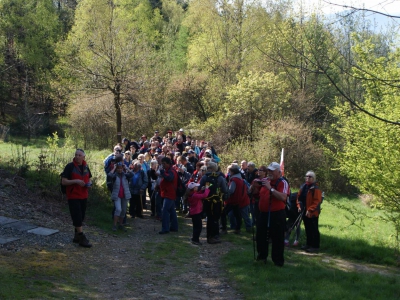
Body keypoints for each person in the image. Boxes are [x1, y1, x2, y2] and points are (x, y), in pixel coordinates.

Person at [256, 162, 290, 266]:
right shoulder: (266, 180)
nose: (269, 172)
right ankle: (262, 257)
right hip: (263, 213)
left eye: (272, 171)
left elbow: (283, 197)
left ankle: (278, 262)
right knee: (261, 236)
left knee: (277, 238)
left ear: (279, 172)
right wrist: (253, 189)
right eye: (268, 170)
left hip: (277, 214)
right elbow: (259, 195)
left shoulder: (283, 182)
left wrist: (270, 188)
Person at [61, 148, 92, 248]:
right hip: (73, 195)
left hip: (84, 195)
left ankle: (76, 236)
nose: (77, 157)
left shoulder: (86, 166)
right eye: (76, 155)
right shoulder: (69, 167)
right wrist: (76, 181)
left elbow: (89, 178)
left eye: (79, 155)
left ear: (84, 157)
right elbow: (64, 181)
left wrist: (89, 184)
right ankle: (82, 238)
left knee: (81, 217)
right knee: (77, 216)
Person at [199, 162, 228, 244]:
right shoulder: (220, 178)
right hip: (217, 201)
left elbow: (200, 188)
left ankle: (209, 236)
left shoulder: (205, 177)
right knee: (216, 219)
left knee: (209, 218)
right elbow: (225, 190)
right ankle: (215, 235)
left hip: (207, 201)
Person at [296, 171, 322, 253]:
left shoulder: (315, 188)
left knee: (313, 229)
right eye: (306, 176)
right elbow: (298, 198)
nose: (307, 178)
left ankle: (315, 246)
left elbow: (317, 201)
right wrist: (299, 206)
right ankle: (308, 244)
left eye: (310, 177)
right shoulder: (303, 186)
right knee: (307, 228)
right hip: (304, 211)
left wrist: (310, 210)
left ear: (313, 178)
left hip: (313, 212)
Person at [221, 164, 249, 234]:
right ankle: (237, 229)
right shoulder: (241, 179)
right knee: (238, 215)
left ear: (232, 172)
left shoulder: (234, 180)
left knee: (223, 213)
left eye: (229, 171)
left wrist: (226, 193)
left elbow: (231, 190)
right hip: (238, 200)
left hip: (231, 200)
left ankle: (224, 229)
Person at [108, 162, 133, 231]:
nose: (120, 170)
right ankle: (114, 225)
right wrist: (114, 168)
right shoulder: (114, 176)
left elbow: (132, 174)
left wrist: (126, 168)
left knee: (123, 211)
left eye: (121, 168)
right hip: (117, 195)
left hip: (125, 195)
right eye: (118, 168)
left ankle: (121, 225)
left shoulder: (125, 175)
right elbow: (109, 175)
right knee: (118, 209)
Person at [159, 157, 179, 234]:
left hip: (170, 194)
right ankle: (174, 227)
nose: (163, 165)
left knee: (165, 211)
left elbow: (169, 178)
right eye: (162, 163)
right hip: (168, 193)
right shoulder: (169, 170)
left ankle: (165, 228)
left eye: (164, 163)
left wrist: (162, 173)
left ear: (168, 163)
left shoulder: (171, 171)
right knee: (172, 211)